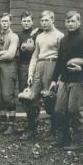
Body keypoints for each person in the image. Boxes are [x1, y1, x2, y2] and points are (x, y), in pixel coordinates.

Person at [49, 11, 83, 150]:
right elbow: (59, 62)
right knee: (59, 110)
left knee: (75, 110)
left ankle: (79, 141)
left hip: (79, 80)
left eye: (73, 21)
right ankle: (65, 138)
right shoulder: (63, 40)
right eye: (67, 21)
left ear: (79, 22)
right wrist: (54, 80)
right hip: (64, 80)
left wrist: (82, 69)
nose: (70, 24)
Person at [27, 10, 64, 141]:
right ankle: (32, 130)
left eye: (46, 20)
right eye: (42, 20)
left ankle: (53, 132)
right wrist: (30, 74)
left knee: (50, 98)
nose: (44, 23)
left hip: (52, 65)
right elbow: (35, 56)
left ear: (53, 20)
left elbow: (62, 58)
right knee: (32, 98)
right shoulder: (39, 36)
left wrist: (58, 77)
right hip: (39, 66)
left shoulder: (59, 36)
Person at [0, 12, 19, 135]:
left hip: (9, 68)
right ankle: (3, 124)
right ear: (0, 22)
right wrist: (0, 53)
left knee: (7, 96)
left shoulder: (14, 37)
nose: (4, 23)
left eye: (6, 21)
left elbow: (11, 54)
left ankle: (11, 125)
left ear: (10, 22)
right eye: (2, 21)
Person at [17, 11, 43, 140]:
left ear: (32, 22)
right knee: (24, 96)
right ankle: (31, 124)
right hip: (22, 67)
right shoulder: (19, 35)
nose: (26, 23)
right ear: (21, 22)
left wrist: (29, 48)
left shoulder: (38, 34)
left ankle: (33, 127)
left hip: (36, 66)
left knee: (34, 97)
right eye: (24, 21)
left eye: (28, 21)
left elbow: (40, 51)